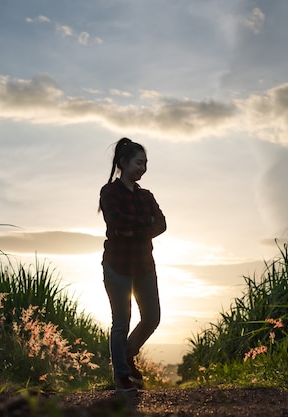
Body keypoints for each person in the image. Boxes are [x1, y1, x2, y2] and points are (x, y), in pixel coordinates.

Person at [99, 137, 167, 392]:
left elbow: (161, 224)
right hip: (117, 266)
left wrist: (133, 228)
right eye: (139, 162)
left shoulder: (146, 196)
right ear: (124, 162)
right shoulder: (109, 192)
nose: (143, 168)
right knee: (121, 321)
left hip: (144, 266)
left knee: (152, 317)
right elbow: (117, 222)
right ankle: (122, 376)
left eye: (146, 163)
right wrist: (143, 224)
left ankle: (126, 353)